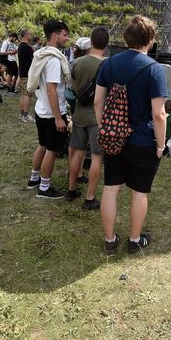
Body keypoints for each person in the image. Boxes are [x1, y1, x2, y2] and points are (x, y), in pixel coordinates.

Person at [94, 15, 167, 255]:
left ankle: (109, 239)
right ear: (150, 39)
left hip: (113, 137)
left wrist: (106, 128)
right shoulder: (155, 69)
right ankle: (134, 240)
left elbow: (98, 102)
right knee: (139, 191)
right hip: (143, 141)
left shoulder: (108, 64)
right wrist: (160, 145)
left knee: (111, 188)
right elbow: (159, 114)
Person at [26, 20, 71, 199]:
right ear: (55, 35)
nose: (66, 39)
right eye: (64, 35)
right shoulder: (53, 60)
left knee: (42, 145)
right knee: (51, 150)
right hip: (52, 113)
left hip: (40, 109)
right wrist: (58, 117)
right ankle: (44, 188)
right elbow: (52, 89)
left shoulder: (41, 54)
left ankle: (34, 178)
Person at [67, 28, 109, 209]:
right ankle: (90, 197)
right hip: (97, 117)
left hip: (79, 114)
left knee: (77, 151)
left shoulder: (77, 62)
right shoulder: (107, 65)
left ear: (91, 41)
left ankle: (71, 189)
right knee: (97, 157)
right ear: (106, 44)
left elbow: (74, 88)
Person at [17, 29, 35, 123]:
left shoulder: (21, 46)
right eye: (30, 34)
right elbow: (34, 59)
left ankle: (22, 114)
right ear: (25, 35)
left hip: (23, 72)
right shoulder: (26, 47)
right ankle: (25, 115)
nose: (31, 36)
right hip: (27, 73)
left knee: (24, 94)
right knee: (28, 94)